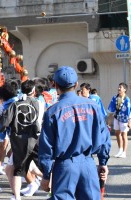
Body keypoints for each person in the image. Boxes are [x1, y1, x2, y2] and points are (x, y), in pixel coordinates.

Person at [39, 66, 111, 199]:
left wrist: (46, 175)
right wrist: (103, 162)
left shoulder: (52, 112)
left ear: (55, 85)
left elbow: (46, 146)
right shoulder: (93, 106)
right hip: (88, 163)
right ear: (76, 84)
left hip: (64, 166)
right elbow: (104, 137)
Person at [0, 80, 41, 200]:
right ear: (33, 91)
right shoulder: (38, 102)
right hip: (35, 138)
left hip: (19, 139)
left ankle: (18, 196)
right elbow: (40, 121)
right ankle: (41, 185)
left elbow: (5, 122)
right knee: (37, 166)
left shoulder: (14, 104)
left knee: (18, 169)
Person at [108, 82, 131, 158]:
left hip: (124, 119)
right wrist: (109, 120)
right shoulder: (114, 98)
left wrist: (129, 121)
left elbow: (129, 111)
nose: (119, 88)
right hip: (116, 118)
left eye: (120, 87)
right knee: (117, 134)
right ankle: (120, 150)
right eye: (118, 87)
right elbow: (111, 109)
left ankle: (124, 152)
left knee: (124, 135)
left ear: (124, 89)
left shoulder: (127, 99)